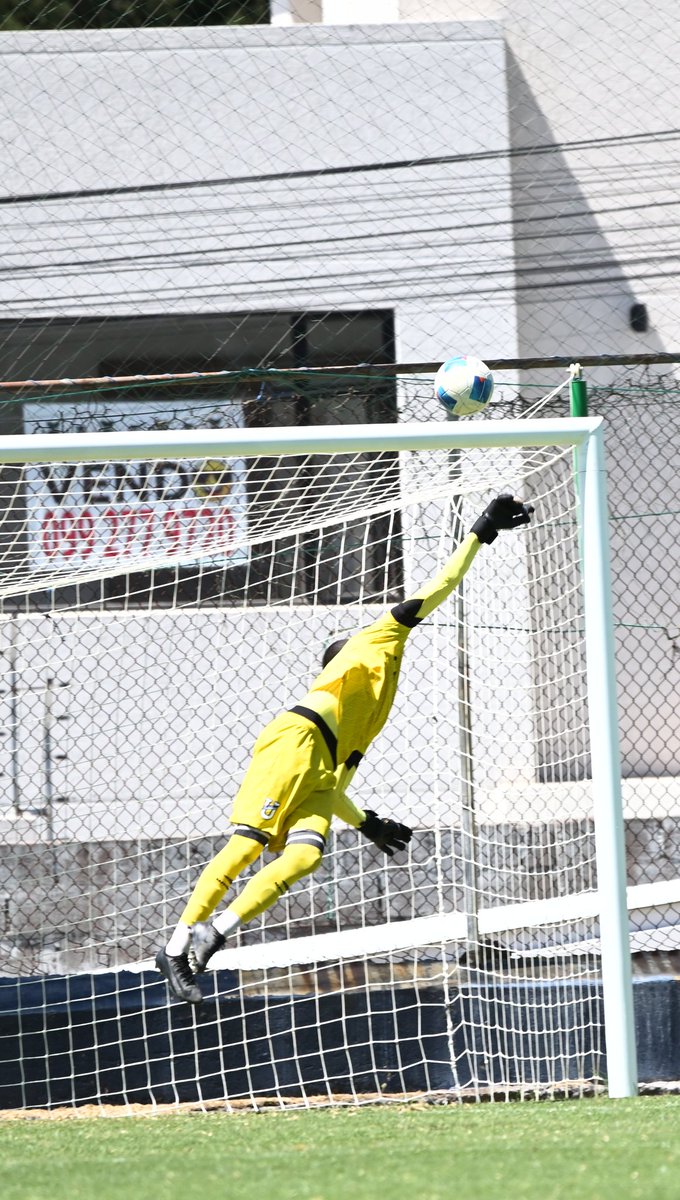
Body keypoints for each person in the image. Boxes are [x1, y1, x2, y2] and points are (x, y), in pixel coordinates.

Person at [155, 493, 534, 1003]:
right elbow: (442, 583)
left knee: (306, 855)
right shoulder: (376, 639)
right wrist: (481, 532)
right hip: (294, 741)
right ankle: (176, 946)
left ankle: (214, 933)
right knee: (246, 844)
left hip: (320, 764)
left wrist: (367, 823)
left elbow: (331, 789)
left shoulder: (367, 717)